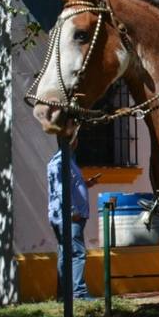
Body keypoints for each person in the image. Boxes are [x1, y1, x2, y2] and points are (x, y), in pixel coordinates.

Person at [47, 130, 100, 303]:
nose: (77, 142)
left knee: (65, 252)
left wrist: (86, 184)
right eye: (76, 138)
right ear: (71, 141)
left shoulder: (68, 161)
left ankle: (66, 294)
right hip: (69, 217)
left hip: (69, 215)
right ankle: (78, 293)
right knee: (76, 253)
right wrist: (71, 211)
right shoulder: (60, 162)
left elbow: (69, 185)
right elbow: (60, 190)